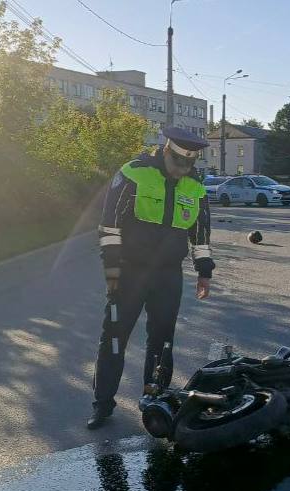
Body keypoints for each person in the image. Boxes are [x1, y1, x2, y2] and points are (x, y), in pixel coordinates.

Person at [86, 127, 215, 430]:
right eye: (177, 164)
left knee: (162, 340)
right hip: (129, 272)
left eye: (188, 166)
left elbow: (200, 234)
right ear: (166, 151)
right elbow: (109, 227)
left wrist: (204, 271)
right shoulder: (133, 173)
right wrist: (112, 271)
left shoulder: (195, 186)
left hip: (168, 275)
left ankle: (155, 400)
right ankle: (103, 404)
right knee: (114, 338)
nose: (181, 171)